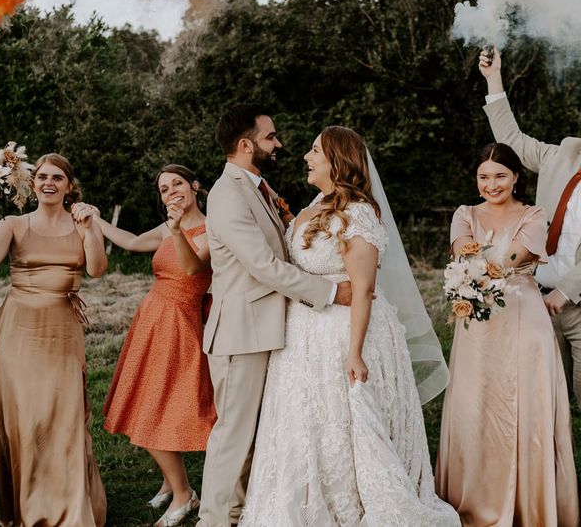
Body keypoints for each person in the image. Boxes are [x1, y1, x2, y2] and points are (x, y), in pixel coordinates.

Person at [239, 126, 457, 527]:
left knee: (344, 427)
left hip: (343, 333)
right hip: (303, 333)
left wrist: (354, 351)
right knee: (305, 425)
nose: (306, 156)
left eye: (315, 151)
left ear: (337, 160)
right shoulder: (315, 204)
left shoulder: (358, 213)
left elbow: (365, 287)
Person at [197, 105, 356, 527]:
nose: (279, 143)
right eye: (270, 137)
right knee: (233, 437)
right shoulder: (227, 193)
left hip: (267, 330)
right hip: (240, 333)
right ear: (246, 144)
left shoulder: (257, 187)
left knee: (253, 436)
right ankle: (212, 520)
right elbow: (263, 265)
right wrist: (329, 291)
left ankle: (239, 513)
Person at [435, 142, 578, 526]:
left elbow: (509, 260)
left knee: (526, 407)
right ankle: (479, 500)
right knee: (475, 405)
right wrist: (478, 262)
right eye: (483, 176)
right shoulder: (464, 214)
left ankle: (531, 504)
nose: (491, 184)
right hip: (478, 324)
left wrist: (479, 261)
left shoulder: (535, 215)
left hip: (523, 320)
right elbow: (465, 255)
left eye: (500, 175)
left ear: (516, 177)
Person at [0, 153, 107, 527]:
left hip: (63, 328)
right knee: (27, 417)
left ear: (69, 186)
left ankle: (71, 509)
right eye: (42, 177)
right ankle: (29, 507)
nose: (48, 182)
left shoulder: (80, 221)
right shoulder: (15, 223)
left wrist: (90, 229)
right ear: (32, 184)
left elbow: (97, 269)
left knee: (65, 415)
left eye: (57, 177)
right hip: (18, 330)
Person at [89, 164, 215, 527]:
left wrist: (176, 231)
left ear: (195, 186)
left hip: (180, 323)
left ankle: (184, 496)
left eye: (177, 183)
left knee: (154, 408)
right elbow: (129, 242)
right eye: (163, 189)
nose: (171, 191)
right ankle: (169, 482)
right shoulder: (165, 227)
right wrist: (95, 220)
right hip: (152, 319)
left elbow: (192, 267)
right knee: (147, 399)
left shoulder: (211, 228)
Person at [480, 46, 581, 404]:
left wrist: (565, 292)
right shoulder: (561, 156)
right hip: (539, 301)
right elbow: (513, 143)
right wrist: (494, 79)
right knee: (546, 399)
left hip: (577, 305)